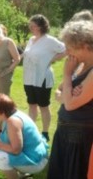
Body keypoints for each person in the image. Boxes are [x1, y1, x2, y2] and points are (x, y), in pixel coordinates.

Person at [47, 20, 93, 179]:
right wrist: (66, 95)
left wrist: (67, 75)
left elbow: (71, 104)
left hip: (79, 137)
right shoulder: (81, 65)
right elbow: (59, 91)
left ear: (86, 46)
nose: (67, 52)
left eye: (70, 48)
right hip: (66, 132)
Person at [0, 93, 48, 179]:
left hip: (36, 162)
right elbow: (5, 139)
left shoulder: (12, 121)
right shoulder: (12, 115)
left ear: (2, 111)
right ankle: (24, 175)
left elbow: (16, 150)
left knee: (0, 158)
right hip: (37, 156)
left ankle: (20, 175)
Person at [22, 14, 66, 141]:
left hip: (42, 78)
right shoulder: (31, 40)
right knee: (31, 105)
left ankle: (45, 133)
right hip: (29, 77)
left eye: (33, 26)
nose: (31, 28)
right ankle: (31, 130)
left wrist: (52, 59)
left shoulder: (49, 40)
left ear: (41, 26)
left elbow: (66, 49)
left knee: (43, 106)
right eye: (30, 26)